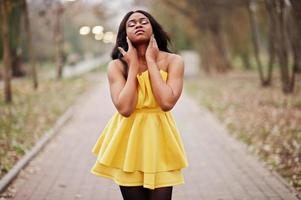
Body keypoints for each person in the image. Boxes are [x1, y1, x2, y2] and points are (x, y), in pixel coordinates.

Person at [90, 10, 189, 200]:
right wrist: (133, 65)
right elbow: (125, 109)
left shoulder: (174, 61)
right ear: (124, 34)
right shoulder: (116, 67)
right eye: (131, 23)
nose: (138, 24)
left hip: (161, 139)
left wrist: (151, 61)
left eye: (143, 21)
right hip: (128, 141)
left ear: (153, 29)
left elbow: (166, 102)